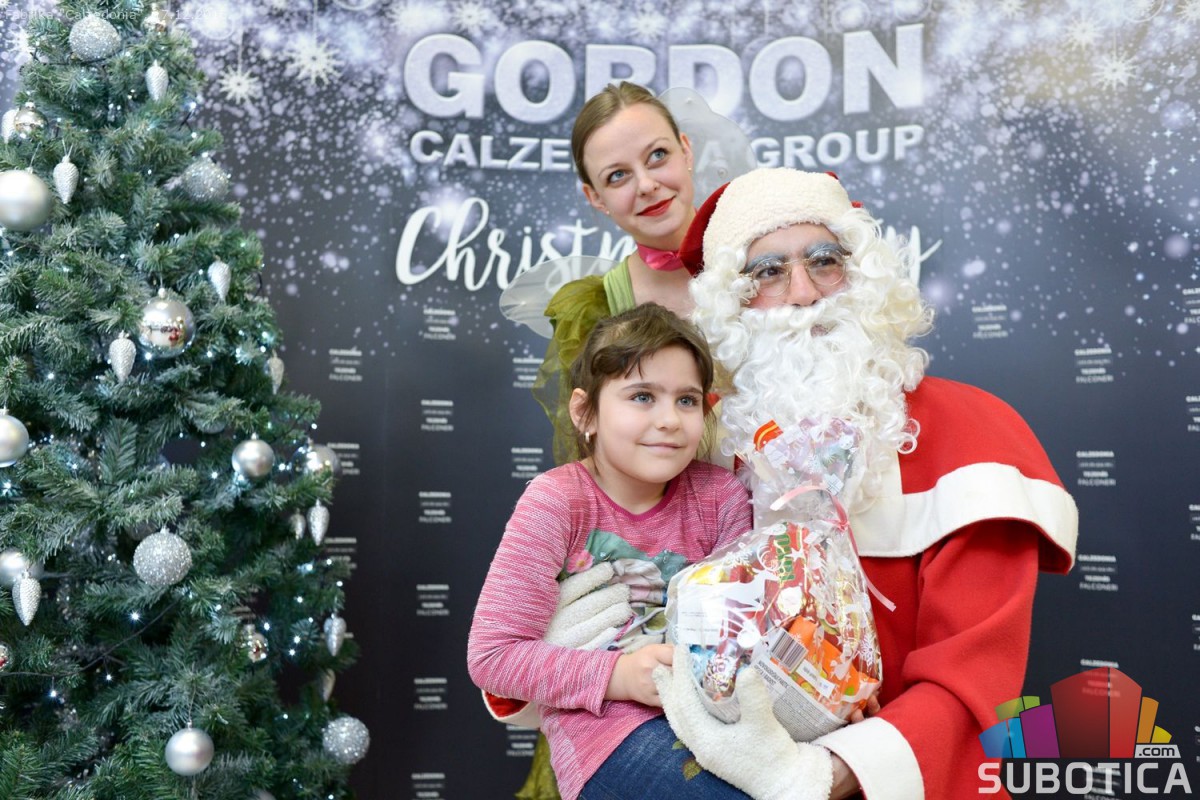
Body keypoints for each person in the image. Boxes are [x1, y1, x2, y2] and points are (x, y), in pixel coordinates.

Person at [648, 168, 1080, 800]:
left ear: (865, 276)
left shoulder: (974, 433)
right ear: (732, 305)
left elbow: (973, 682)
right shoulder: (700, 450)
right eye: (767, 272)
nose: (803, 294)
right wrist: (585, 661)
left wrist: (817, 777)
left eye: (825, 261)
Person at [468, 302, 754, 800]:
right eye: (642, 396)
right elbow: (494, 656)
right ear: (585, 413)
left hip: (717, 717)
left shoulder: (720, 496)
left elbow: (746, 627)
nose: (670, 420)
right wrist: (620, 676)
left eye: (687, 400)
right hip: (606, 734)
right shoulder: (557, 501)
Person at [534, 81, 699, 467]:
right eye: (617, 175)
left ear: (686, 150)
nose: (646, 185)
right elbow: (600, 469)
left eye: (657, 155)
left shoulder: (771, 263)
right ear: (595, 197)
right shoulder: (593, 311)